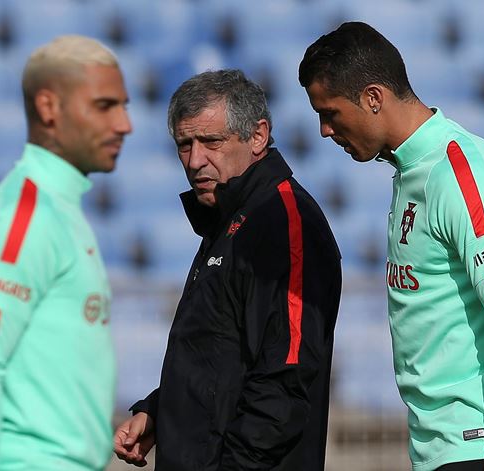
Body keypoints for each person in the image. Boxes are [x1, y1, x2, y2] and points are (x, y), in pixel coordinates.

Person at [298, 22, 484, 471]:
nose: (325, 131)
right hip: (448, 449)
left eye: (331, 113)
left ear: (373, 98)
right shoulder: (412, 172)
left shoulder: (459, 174)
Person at [114, 69, 342, 470]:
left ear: (257, 136)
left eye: (212, 142)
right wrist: (160, 410)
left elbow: (284, 380)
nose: (195, 160)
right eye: (184, 144)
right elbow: (221, 358)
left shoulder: (283, 220)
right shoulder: (230, 219)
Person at [0, 35, 132, 471]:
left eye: (124, 105)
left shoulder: (58, 207)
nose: (125, 124)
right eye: (105, 106)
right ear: (49, 108)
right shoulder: (26, 212)